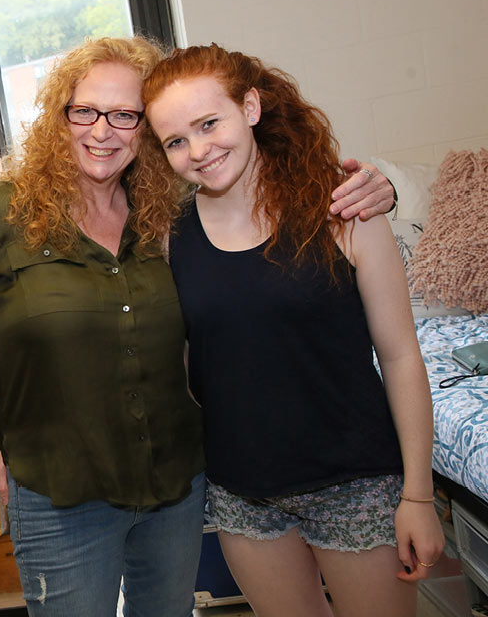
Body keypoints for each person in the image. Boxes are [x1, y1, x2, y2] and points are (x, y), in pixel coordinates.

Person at [0, 36, 394, 617]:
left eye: (125, 115)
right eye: (84, 110)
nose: (101, 130)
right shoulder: (0, 215)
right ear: (60, 115)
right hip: (63, 495)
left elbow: (259, 196)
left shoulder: (168, 220)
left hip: (176, 487)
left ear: (146, 130)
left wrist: (380, 189)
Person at [142, 44, 443, 617]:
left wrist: (419, 494)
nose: (199, 151)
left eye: (210, 123)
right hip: (242, 496)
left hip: (355, 484)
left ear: (250, 107)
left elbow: (402, 356)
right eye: (176, 141)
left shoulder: (342, 210)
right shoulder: (169, 239)